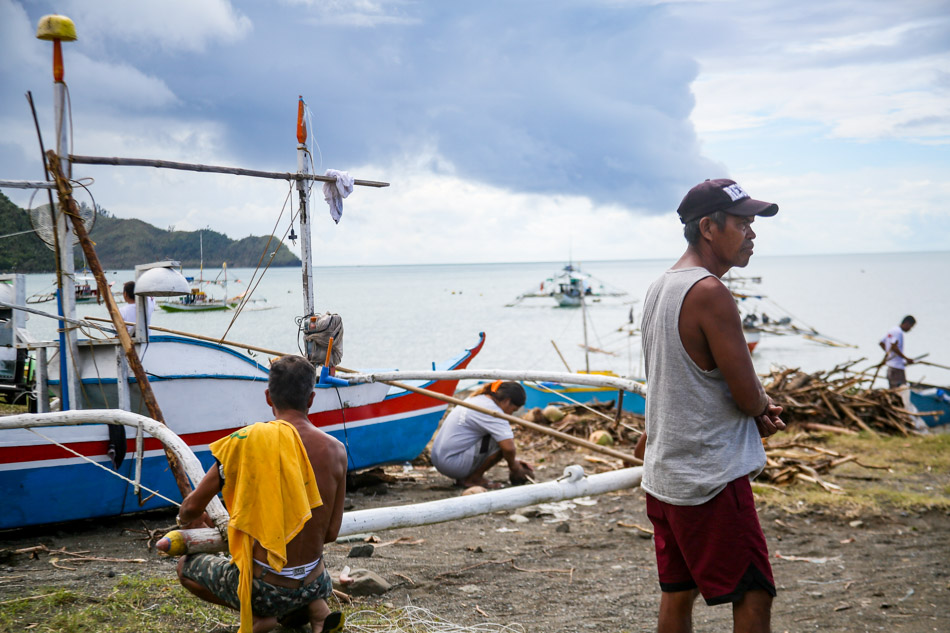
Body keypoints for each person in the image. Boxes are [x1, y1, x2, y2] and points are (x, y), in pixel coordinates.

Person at [638, 178, 786, 633]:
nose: (753, 234)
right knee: (753, 593)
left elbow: (682, 377)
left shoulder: (661, 287)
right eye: (743, 223)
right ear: (708, 227)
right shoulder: (710, 292)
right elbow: (745, 394)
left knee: (678, 595)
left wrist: (753, 404)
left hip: (665, 475)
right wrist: (762, 406)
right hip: (710, 479)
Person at [175, 355, 347, 633]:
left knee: (185, 567)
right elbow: (331, 533)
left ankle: (259, 616)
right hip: (316, 582)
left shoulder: (245, 442)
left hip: (265, 588)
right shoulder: (337, 450)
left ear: (268, 397)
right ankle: (316, 609)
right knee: (301, 580)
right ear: (311, 399)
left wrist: (194, 522)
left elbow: (189, 509)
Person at [430, 380, 534, 488]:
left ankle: (465, 478)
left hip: (440, 459)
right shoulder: (493, 411)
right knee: (503, 442)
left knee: (500, 437)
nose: (510, 414)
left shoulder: (478, 399)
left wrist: (514, 461)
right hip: (452, 464)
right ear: (507, 401)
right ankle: (474, 479)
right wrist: (515, 467)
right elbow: (508, 448)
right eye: (513, 410)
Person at [879, 316, 917, 389]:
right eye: (911, 326)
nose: (910, 329)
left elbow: (881, 343)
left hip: (890, 366)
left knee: (893, 389)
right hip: (897, 368)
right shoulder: (898, 332)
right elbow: (894, 347)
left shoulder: (892, 330)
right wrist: (906, 359)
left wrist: (889, 353)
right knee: (901, 389)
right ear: (907, 323)